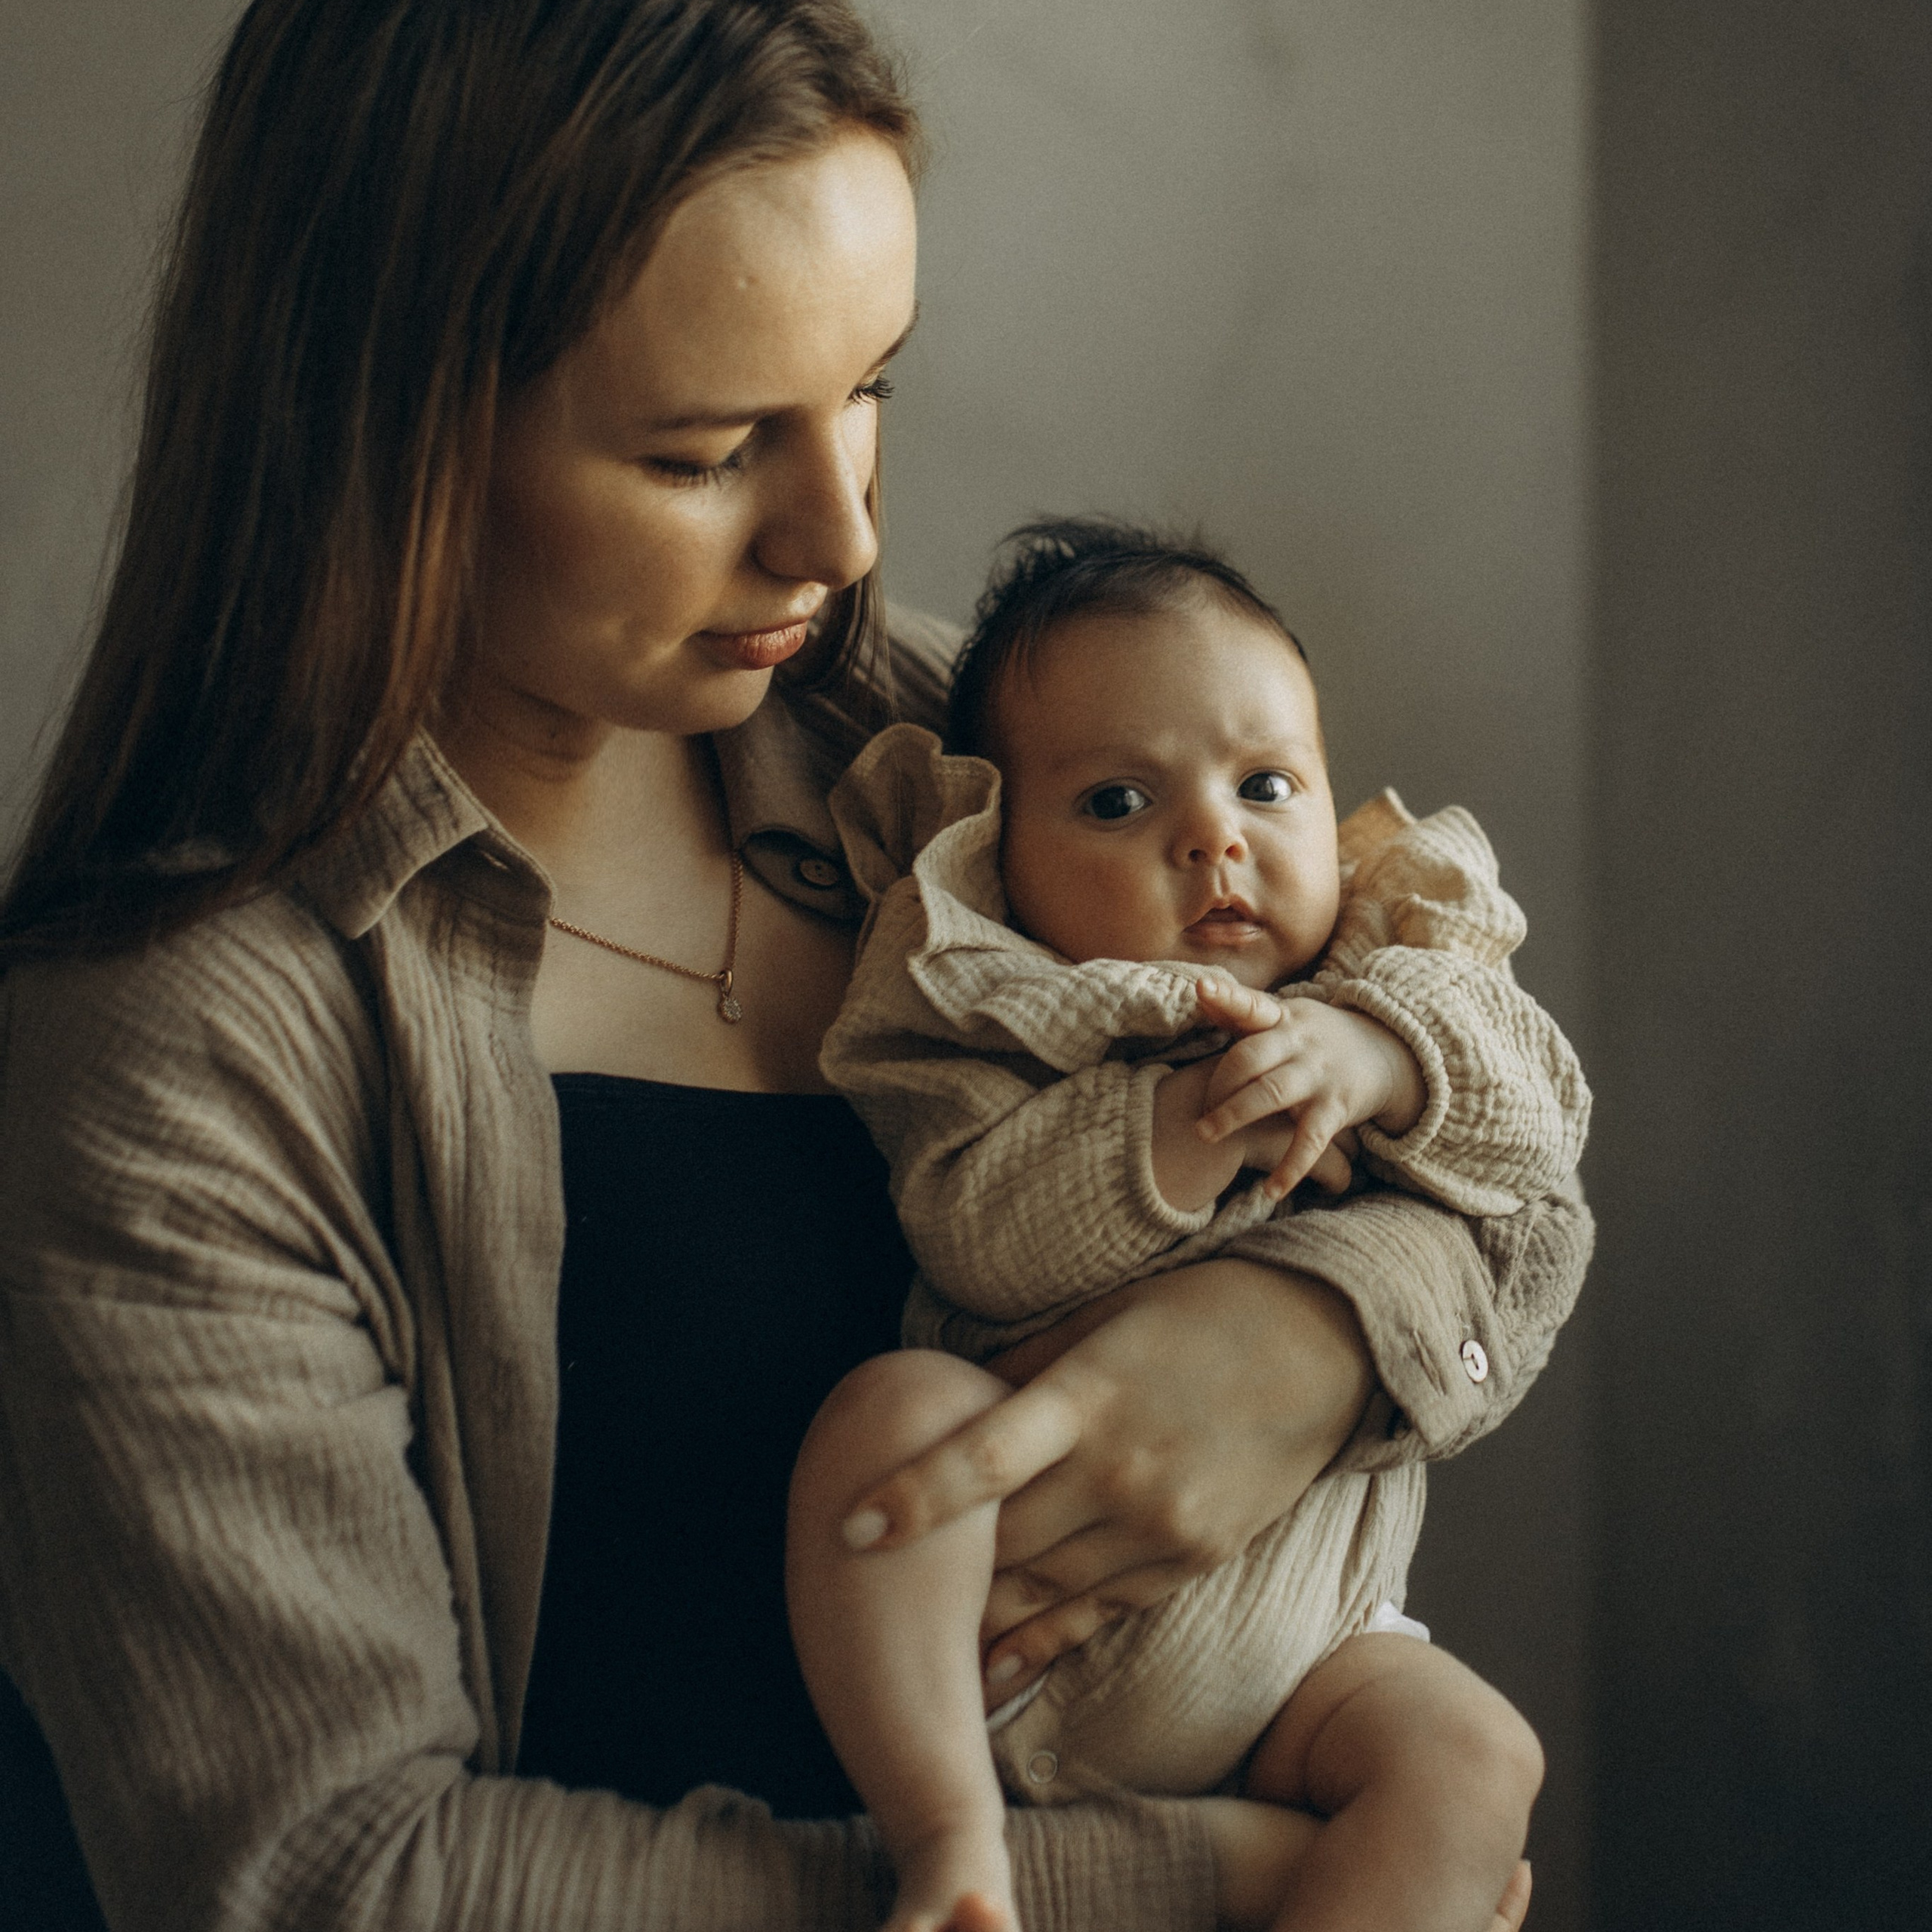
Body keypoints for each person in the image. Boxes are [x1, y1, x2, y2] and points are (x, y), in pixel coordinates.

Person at [0, 3, 1592, 1927]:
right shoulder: (177, 1045)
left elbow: (1501, 1121)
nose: (833, 540)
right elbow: (329, 1875)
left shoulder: (959, 765)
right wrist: (1208, 1884)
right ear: (394, 430)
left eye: (866, 389)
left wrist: (1319, 1332)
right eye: (698, 454)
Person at [793, 521, 1589, 1932]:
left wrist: (1385, 1057)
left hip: (1308, 1663)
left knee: (1479, 1760)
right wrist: (1166, 1132)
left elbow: (1545, 1140)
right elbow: (975, 1238)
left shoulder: (1398, 967)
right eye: (1115, 803)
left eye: (1267, 784)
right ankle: (949, 1835)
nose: (1214, 836)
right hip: (999, 1636)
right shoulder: (993, 1006)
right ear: (999, 858)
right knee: (887, 1418)